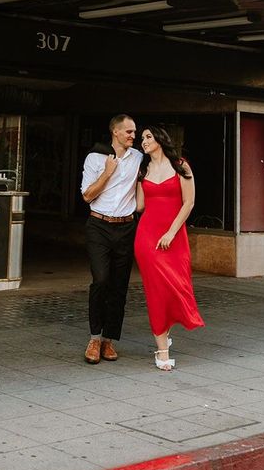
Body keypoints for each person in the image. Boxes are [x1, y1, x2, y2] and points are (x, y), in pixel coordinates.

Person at [135, 125, 204, 370]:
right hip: (147, 237)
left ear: (160, 139)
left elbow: (189, 202)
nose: (143, 141)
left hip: (174, 237)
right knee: (156, 291)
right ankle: (161, 349)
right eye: (142, 138)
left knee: (177, 286)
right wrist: (134, 181)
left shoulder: (180, 165)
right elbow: (140, 206)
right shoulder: (143, 170)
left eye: (148, 137)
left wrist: (171, 232)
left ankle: (166, 329)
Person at [80, 114, 142, 364]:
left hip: (126, 228)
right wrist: (107, 173)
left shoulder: (138, 158)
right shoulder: (95, 158)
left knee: (119, 286)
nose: (133, 136)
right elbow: (87, 196)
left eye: (134, 132)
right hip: (98, 225)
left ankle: (109, 341)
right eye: (128, 132)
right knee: (101, 280)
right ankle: (94, 338)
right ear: (115, 132)